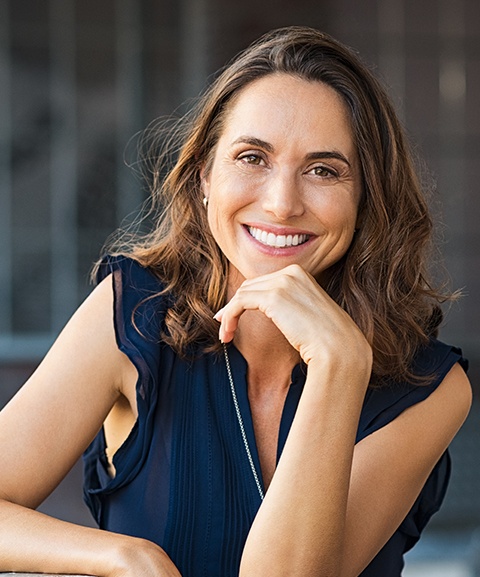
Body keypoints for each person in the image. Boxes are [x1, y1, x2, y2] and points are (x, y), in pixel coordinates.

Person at [0, 26, 472, 577]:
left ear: (366, 199)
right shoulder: (132, 314)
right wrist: (125, 556)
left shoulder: (429, 388)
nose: (281, 203)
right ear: (204, 176)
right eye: (252, 157)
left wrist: (339, 368)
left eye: (324, 170)